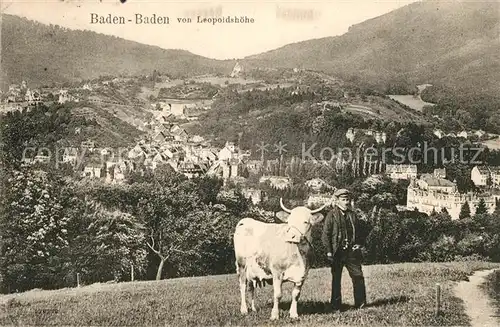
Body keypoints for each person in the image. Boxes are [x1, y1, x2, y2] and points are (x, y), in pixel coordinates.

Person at [322, 188, 366, 312]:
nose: (346, 202)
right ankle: (336, 306)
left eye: (347, 199)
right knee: (336, 279)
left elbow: (361, 232)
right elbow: (326, 234)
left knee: (358, 276)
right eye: (343, 199)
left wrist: (359, 243)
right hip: (337, 252)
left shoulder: (352, 215)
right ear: (337, 201)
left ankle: (360, 304)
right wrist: (329, 251)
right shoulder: (332, 215)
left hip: (351, 252)